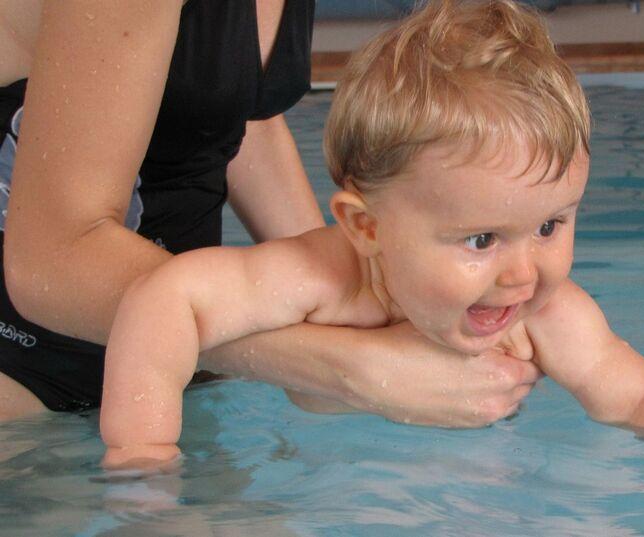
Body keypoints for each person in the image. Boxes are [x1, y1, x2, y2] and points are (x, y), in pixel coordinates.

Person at [100, 0, 644, 483]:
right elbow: (165, 300)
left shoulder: (545, 315)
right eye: (481, 238)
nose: (522, 272)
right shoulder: (318, 279)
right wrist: (146, 464)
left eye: (550, 225)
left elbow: (638, 391)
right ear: (366, 227)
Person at [0, 1, 539, 424]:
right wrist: (345, 366)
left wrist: (351, 292)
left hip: (182, 364)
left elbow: (231, 110)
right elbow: (50, 262)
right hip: (20, 373)